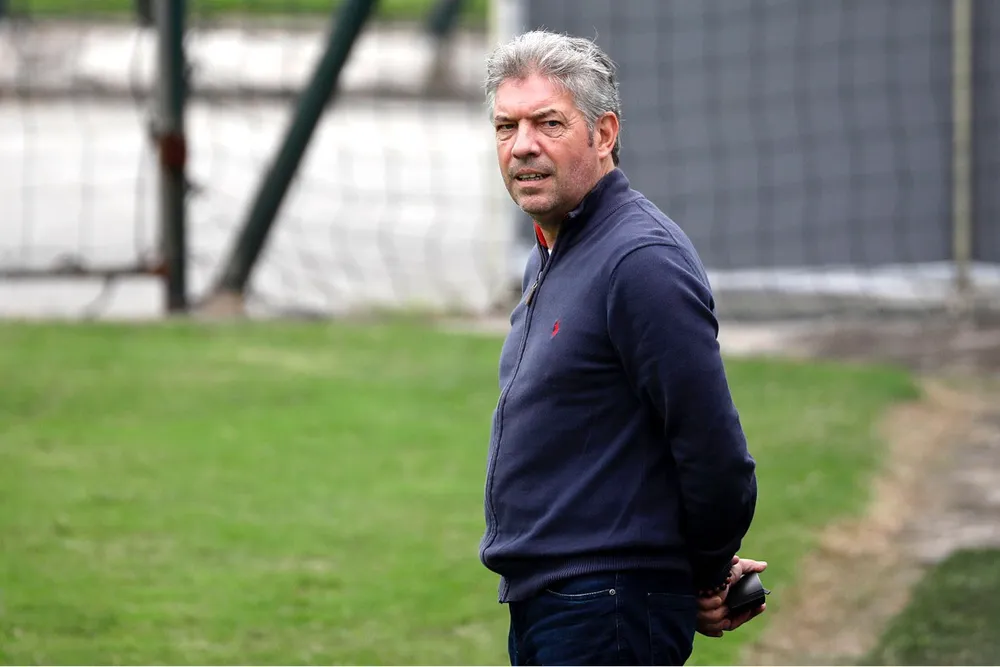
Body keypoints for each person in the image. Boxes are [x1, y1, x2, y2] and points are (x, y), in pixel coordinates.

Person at [478, 29, 766, 665]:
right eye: (506, 126)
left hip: (605, 609)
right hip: (556, 601)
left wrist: (707, 573)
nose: (522, 145)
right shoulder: (553, 250)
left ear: (603, 134)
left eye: (548, 123)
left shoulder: (640, 261)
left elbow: (715, 454)